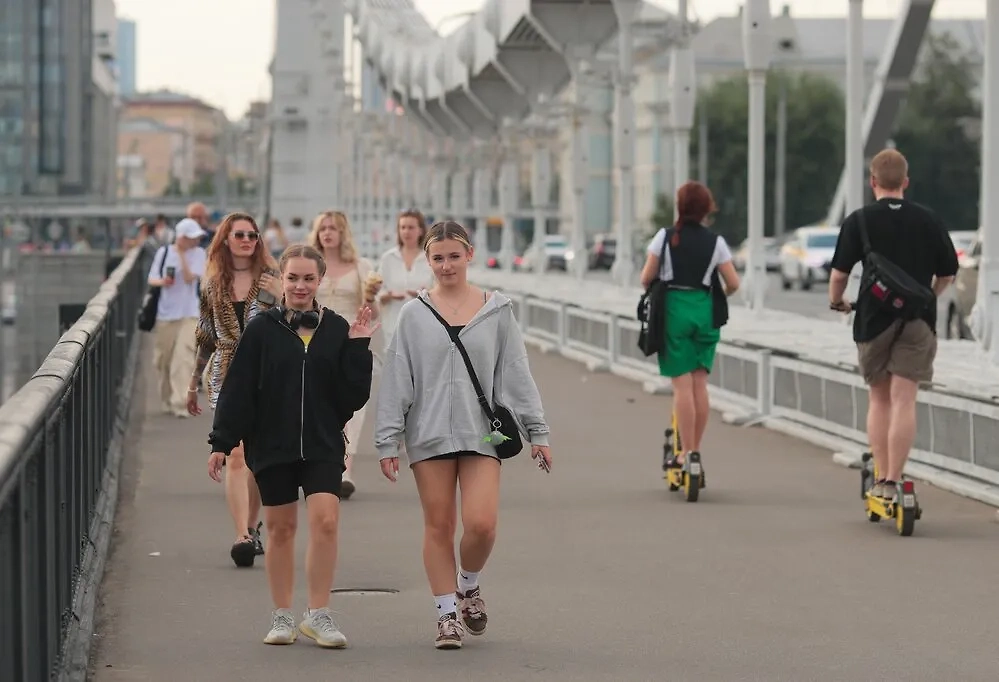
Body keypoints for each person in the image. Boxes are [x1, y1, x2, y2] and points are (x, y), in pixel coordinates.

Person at [374, 220, 551, 650]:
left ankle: (468, 586)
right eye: (438, 258)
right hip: (428, 432)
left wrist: (537, 432)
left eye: (454, 256)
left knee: (482, 525)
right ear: (428, 261)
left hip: (483, 434)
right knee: (439, 525)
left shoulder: (496, 310)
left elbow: (515, 373)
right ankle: (446, 616)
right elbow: (399, 378)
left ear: (469, 254)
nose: (446, 265)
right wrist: (387, 439)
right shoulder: (415, 314)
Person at [207, 244, 376, 648]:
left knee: (326, 522)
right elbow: (240, 389)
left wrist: (358, 347)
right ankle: (282, 616)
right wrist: (222, 440)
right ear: (281, 281)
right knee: (281, 529)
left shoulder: (335, 328)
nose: (300, 286)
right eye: (293, 278)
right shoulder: (261, 330)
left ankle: (318, 615)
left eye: (308, 279)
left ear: (320, 282)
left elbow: (351, 397)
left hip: (322, 443)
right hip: (273, 445)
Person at [828, 148, 958, 499]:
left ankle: (880, 483)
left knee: (879, 399)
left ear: (873, 182)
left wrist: (838, 302)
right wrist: (929, 294)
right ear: (906, 182)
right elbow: (947, 272)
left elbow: (839, 275)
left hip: (873, 319)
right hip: (918, 319)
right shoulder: (929, 219)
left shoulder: (860, 221)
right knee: (905, 399)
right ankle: (893, 479)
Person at [188, 212, 282, 567]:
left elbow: (295, 324)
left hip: (267, 374)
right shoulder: (213, 285)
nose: (246, 240)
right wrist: (192, 383)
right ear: (225, 240)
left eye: (253, 235)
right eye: (239, 234)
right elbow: (206, 337)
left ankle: (252, 525)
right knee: (236, 454)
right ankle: (241, 534)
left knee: (257, 461)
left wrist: (285, 297)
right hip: (226, 373)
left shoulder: (272, 280)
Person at [639, 181, 740, 470]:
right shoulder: (716, 242)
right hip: (705, 311)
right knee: (700, 384)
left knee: (682, 387)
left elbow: (647, 277)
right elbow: (733, 283)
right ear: (708, 208)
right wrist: (716, 295)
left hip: (674, 311)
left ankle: (685, 453)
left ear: (679, 207)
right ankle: (695, 451)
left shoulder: (665, 237)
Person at [309, 210, 382, 499]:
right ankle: (318, 467)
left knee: (353, 410)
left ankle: (344, 472)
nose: (328, 233)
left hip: (351, 342)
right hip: (314, 342)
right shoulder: (310, 263)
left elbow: (373, 312)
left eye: (334, 228)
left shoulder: (361, 266)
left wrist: (371, 299)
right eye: (323, 228)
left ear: (343, 233)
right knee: (318, 407)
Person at [147, 218, 207, 418]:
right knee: (163, 361)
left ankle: (180, 402)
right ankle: (166, 398)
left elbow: (191, 278)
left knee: (183, 357)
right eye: (192, 238)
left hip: (189, 313)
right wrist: (163, 281)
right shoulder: (163, 253)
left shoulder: (198, 254)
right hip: (166, 314)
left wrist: (182, 256)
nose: (196, 241)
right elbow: (152, 278)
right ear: (182, 237)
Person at [378, 209, 434, 345]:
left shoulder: (430, 257)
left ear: (420, 230)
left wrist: (426, 294)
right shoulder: (388, 258)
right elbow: (377, 294)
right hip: (393, 327)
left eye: (411, 227)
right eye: (402, 227)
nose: (406, 232)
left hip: (424, 327)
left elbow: (440, 292)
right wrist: (389, 295)